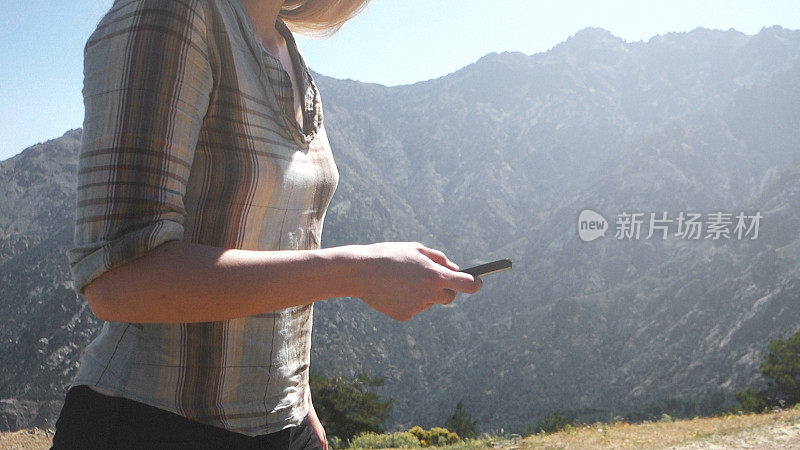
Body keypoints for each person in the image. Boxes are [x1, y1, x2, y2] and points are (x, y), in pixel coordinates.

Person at [51, 0, 482, 448]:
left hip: (282, 426)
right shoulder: (169, 13)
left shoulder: (284, 48)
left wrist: (300, 403)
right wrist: (359, 271)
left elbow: (279, 242)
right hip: (148, 424)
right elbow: (119, 281)